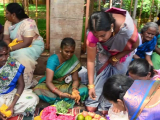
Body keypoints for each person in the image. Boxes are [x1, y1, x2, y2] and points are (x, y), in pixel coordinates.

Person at [85, 7, 139, 113]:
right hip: (106, 49)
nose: (100, 39)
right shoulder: (93, 34)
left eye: (103, 36)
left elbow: (134, 46)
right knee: (101, 73)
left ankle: (107, 104)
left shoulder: (127, 30)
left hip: (125, 50)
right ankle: (93, 100)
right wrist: (91, 85)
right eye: (97, 36)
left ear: (112, 26)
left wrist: (117, 57)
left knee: (116, 77)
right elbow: (90, 61)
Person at [33, 38, 88, 107]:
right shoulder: (53, 60)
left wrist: (74, 90)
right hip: (53, 85)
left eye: (72, 52)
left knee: (84, 90)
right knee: (37, 90)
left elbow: (75, 80)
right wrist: (60, 94)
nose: (69, 54)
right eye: (66, 51)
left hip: (66, 85)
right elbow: (48, 82)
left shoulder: (73, 59)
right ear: (60, 49)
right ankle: (70, 99)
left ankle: (66, 99)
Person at [3, 3, 44, 88]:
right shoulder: (8, 23)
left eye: (7, 13)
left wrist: (9, 49)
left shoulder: (28, 23)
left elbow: (27, 43)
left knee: (21, 54)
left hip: (33, 45)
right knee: (4, 55)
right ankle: (10, 80)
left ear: (13, 14)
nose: (5, 15)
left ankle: (26, 83)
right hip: (15, 45)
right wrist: (6, 48)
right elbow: (6, 39)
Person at [0, 40, 39, 120]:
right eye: (0, 55)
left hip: (11, 95)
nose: (4, 58)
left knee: (33, 99)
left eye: (6, 54)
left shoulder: (13, 64)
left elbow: (21, 84)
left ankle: (8, 110)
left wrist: (12, 105)